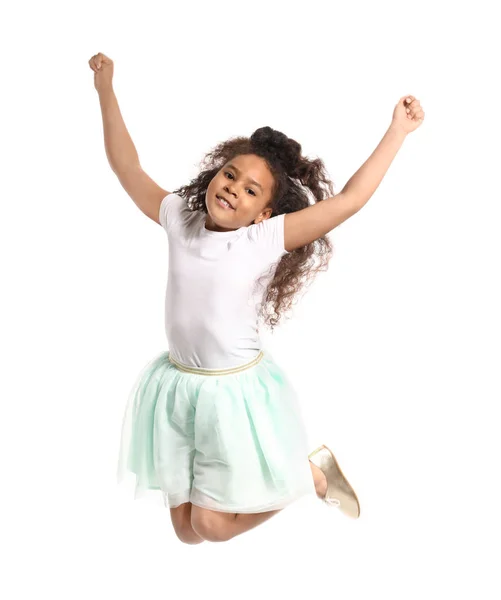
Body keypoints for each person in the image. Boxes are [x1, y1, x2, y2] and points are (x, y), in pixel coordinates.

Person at [89, 52, 425, 544]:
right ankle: (298, 479)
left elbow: (348, 201)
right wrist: (105, 89)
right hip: (178, 387)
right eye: (229, 175)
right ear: (213, 175)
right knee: (187, 533)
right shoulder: (179, 220)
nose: (233, 190)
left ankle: (309, 477)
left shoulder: (261, 240)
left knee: (211, 525)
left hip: (232, 394)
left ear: (263, 213)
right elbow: (126, 166)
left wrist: (397, 131)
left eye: (250, 191)